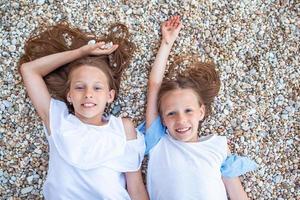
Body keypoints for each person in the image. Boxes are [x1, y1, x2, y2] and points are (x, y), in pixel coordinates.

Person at [19, 22, 149, 200]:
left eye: (97, 88)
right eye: (80, 87)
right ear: (69, 96)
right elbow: (29, 70)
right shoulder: (57, 120)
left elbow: (136, 188)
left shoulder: (123, 128)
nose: (88, 94)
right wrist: (80, 53)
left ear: (110, 96)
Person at [138, 16, 257, 200]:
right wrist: (166, 44)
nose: (181, 120)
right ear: (162, 119)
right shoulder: (158, 141)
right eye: (171, 113)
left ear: (201, 112)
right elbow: (154, 85)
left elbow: (237, 194)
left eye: (188, 110)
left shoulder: (217, 146)